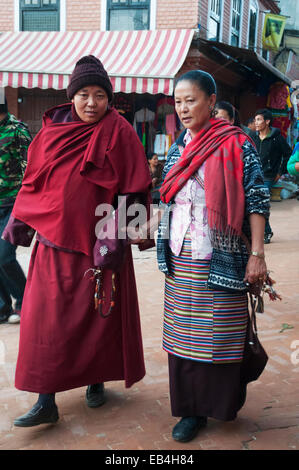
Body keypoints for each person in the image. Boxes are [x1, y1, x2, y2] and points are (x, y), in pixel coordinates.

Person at [2, 55, 153, 427]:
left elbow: (135, 190)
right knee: (44, 321)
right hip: (53, 244)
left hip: (101, 246)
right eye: (83, 94)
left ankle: (96, 381)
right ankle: (45, 399)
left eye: (99, 95)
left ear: (109, 98)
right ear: (72, 96)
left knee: (98, 318)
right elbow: (34, 180)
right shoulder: (51, 132)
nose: (91, 103)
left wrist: (118, 236)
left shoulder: (120, 132)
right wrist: (20, 220)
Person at [156, 70, 270, 443]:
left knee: (219, 332)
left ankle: (216, 405)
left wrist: (257, 254)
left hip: (222, 254)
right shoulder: (177, 147)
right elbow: (169, 196)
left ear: (211, 100)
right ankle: (189, 411)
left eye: (191, 100)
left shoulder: (238, 144)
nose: (184, 108)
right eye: (178, 102)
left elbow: (256, 200)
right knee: (182, 334)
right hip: (181, 255)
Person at [0, 98, 31, 324]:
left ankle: (24, 300)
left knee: (4, 256)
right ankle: (3, 308)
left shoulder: (18, 130)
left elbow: (30, 168)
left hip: (13, 202)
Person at [252, 108, 292, 243]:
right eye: (255, 120)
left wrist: (280, 172)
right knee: (256, 205)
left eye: (259, 120)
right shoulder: (253, 137)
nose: (256, 123)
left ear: (267, 121)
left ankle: (266, 232)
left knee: (260, 203)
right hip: (253, 175)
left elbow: (287, 154)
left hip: (268, 177)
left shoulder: (277, 138)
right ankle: (264, 231)